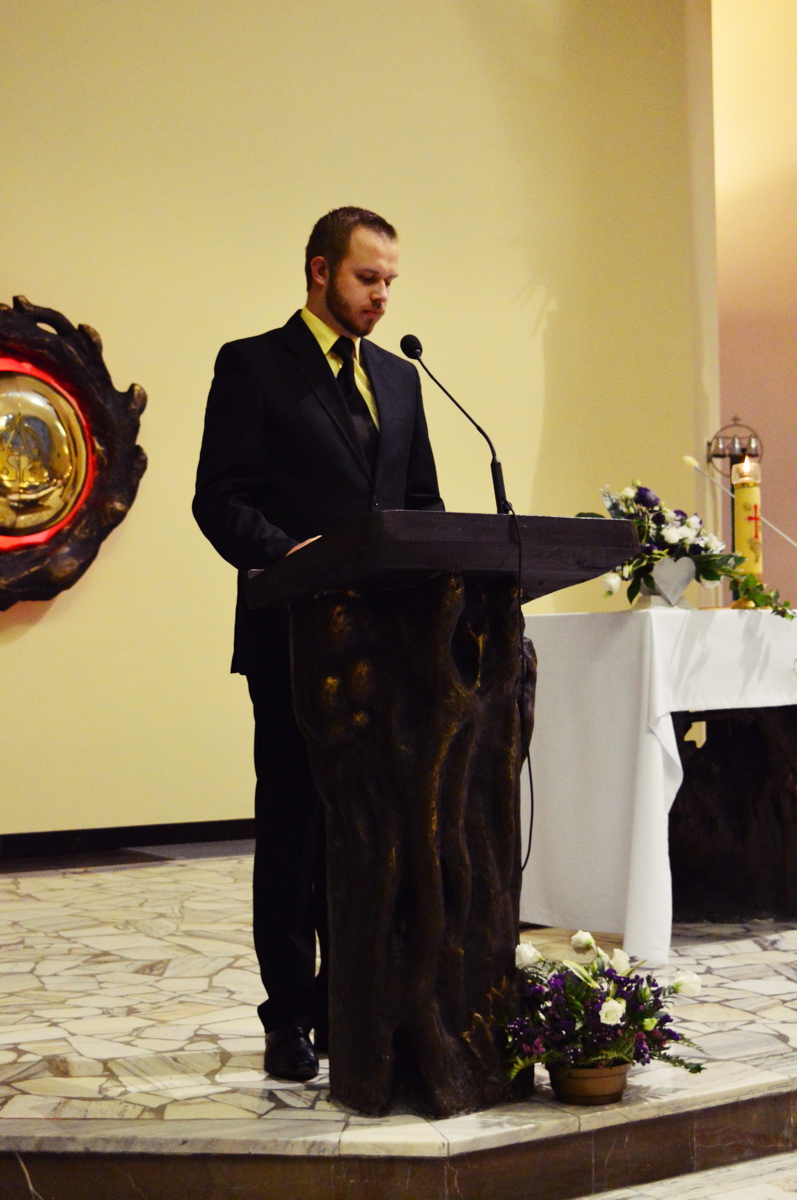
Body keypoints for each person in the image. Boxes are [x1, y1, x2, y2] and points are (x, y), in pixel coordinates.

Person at [193, 207, 443, 1081]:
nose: (381, 296)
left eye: (389, 282)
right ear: (319, 270)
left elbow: (421, 505)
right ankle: (288, 1015)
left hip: (389, 645)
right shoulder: (255, 364)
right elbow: (219, 499)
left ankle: (357, 999)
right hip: (293, 637)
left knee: (373, 828)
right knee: (296, 827)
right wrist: (288, 555)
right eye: (367, 278)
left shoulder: (398, 379)